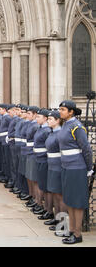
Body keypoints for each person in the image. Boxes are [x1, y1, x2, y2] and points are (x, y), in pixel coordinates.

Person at [58, 100, 94, 244]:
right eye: (59, 109)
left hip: (76, 167)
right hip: (67, 166)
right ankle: (72, 230)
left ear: (71, 112)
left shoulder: (77, 127)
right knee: (69, 200)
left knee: (76, 202)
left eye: (63, 109)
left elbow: (86, 148)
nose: (60, 111)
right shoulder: (66, 125)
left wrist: (89, 168)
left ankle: (77, 234)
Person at [45, 110, 67, 231]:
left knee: (60, 196)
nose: (48, 121)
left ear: (58, 120)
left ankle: (63, 223)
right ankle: (58, 219)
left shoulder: (60, 134)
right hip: (51, 165)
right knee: (54, 194)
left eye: (50, 119)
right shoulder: (52, 132)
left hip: (58, 166)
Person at [33, 108, 53, 220]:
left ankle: (49, 210)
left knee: (46, 187)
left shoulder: (46, 130)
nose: (37, 118)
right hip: (39, 159)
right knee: (41, 185)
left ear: (45, 118)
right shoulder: (41, 128)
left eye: (38, 117)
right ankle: (44, 208)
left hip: (44, 160)